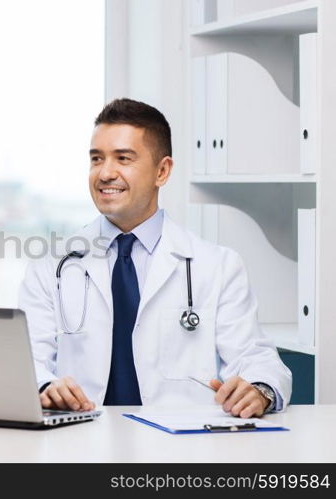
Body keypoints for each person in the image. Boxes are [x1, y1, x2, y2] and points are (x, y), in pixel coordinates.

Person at [19, 98, 292, 418]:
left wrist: (259, 390)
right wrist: (45, 387)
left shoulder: (217, 266)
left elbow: (258, 359)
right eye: (96, 159)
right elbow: (27, 361)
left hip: (180, 447)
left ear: (162, 171)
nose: (105, 173)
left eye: (123, 158)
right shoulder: (51, 265)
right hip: (82, 440)